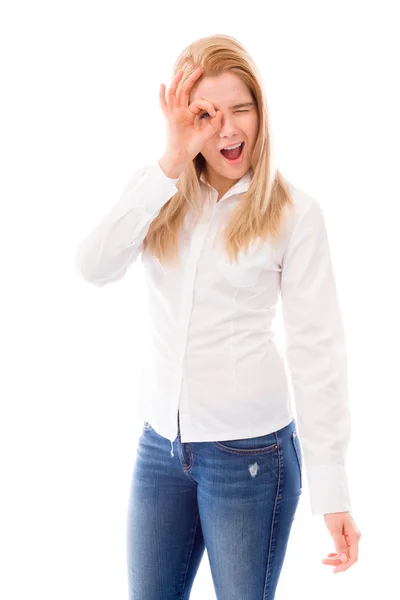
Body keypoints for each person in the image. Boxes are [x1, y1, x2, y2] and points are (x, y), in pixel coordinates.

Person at [75, 34, 361, 599]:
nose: (228, 129)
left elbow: (317, 349)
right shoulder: (160, 193)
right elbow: (92, 265)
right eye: (207, 114)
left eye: (241, 109)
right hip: (161, 447)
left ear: (261, 111)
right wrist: (170, 162)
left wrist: (333, 489)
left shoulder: (294, 213)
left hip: (249, 455)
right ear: (186, 120)